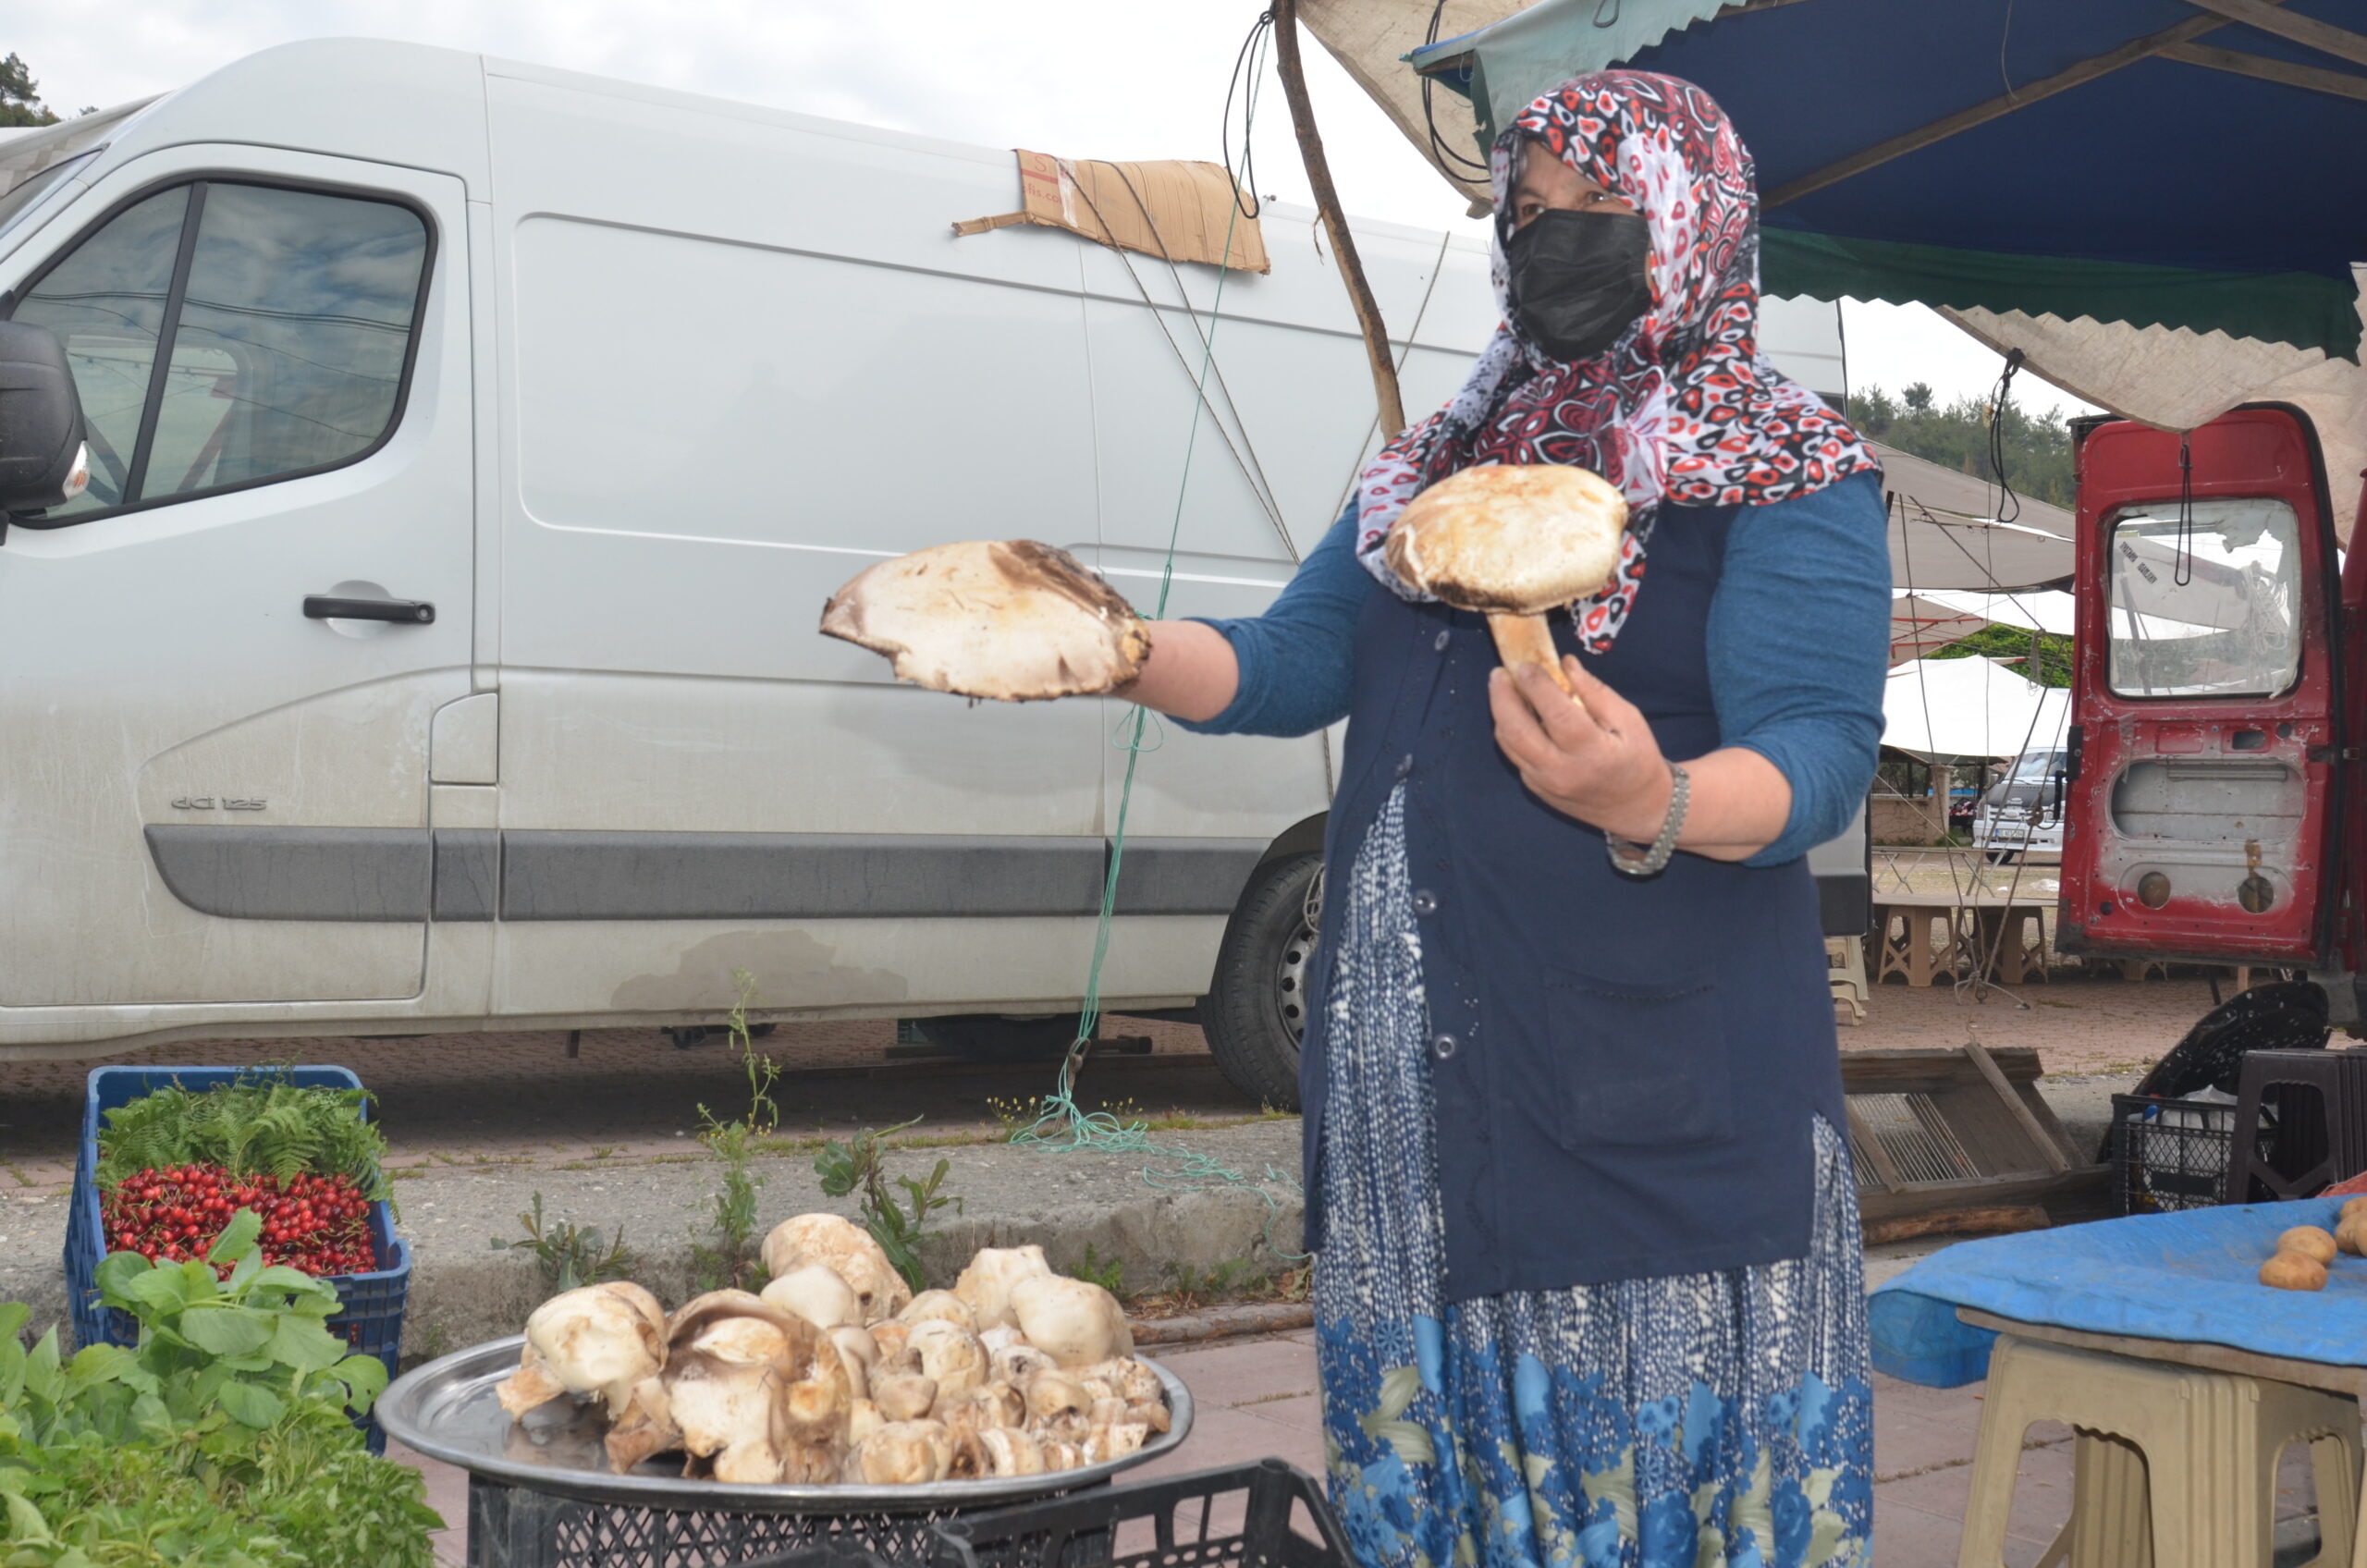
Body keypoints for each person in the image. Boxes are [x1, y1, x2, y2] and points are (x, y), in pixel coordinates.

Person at [1119, 71, 1889, 1568]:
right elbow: (1292, 660)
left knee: (1636, 1503)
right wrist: (1112, 646)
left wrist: (1652, 796)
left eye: (1598, 207)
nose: (1555, 240)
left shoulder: (1786, 468)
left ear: (1691, 217)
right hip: (1419, 1122)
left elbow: (1819, 759)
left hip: (1647, 1115)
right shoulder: (1446, 463)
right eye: (1528, 211)